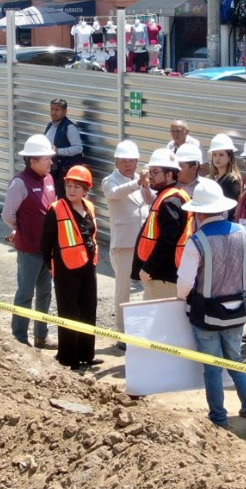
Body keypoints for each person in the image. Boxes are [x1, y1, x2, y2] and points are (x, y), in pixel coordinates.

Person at [176, 178, 246, 439]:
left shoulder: (197, 241)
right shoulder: (243, 233)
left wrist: (185, 297)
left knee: (213, 367)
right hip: (237, 312)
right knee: (236, 362)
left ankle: (219, 420)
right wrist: (234, 285)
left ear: (199, 212)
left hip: (206, 314)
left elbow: (185, 283)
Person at [41, 165, 102, 371]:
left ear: (86, 190)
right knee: (69, 311)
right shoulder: (56, 208)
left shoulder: (89, 207)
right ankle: (68, 357)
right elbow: (45, 244)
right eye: (69, 185)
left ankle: (87, 354)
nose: (72, 189)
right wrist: (51, 267)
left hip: (87, 266)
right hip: (65, 267)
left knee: (88, 309)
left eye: (77, 186)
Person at [2, 134, 58, 349]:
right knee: (25, 293)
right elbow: (8, 215)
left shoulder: (49, 179)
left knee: (45, 293)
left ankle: (41, 336)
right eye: (47, 159)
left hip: (47, 249)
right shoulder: (19, 183)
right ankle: (19, 337)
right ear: (33, 160)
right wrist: (22, 230)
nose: (51, 162)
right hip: (29, 250)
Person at [103, 140, 152, 340]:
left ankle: (147, 326)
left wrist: (146, 186)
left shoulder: (142, 181)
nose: (128, 165)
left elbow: (150, 201)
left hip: (143, 242)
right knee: (123, 288)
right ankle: (122, 331)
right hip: (123, 243)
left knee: (149, 283)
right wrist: (138, 183)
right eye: (124, 161)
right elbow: (115, 194)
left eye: (132, 161)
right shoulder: (110, 180)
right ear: (116, 162)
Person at [133, 148, 193, 300]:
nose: (150, 176)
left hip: (164, 276)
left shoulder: (169, 201)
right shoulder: (177, 194)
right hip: (168, 273)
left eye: (155, 172)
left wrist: (148, 267)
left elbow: (167, 240)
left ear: (169, 174)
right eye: (150, 171)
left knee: (158, 321)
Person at [44, 98, 84, 199]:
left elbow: (78, 148)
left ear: (65, 111)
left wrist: (59, 151)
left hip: (65, 171)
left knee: (64, 199)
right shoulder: (50, 125)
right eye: (52, 109)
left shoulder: (69, 127)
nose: (53, 112)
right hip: (53, 169)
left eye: (57, 110)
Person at [208, 133, 243, 211]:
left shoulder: (231, 180)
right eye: (214, 155)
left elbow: (231, 208)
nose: (217, 158)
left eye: (221, 155)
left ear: (229, 156)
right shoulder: (213, 178)